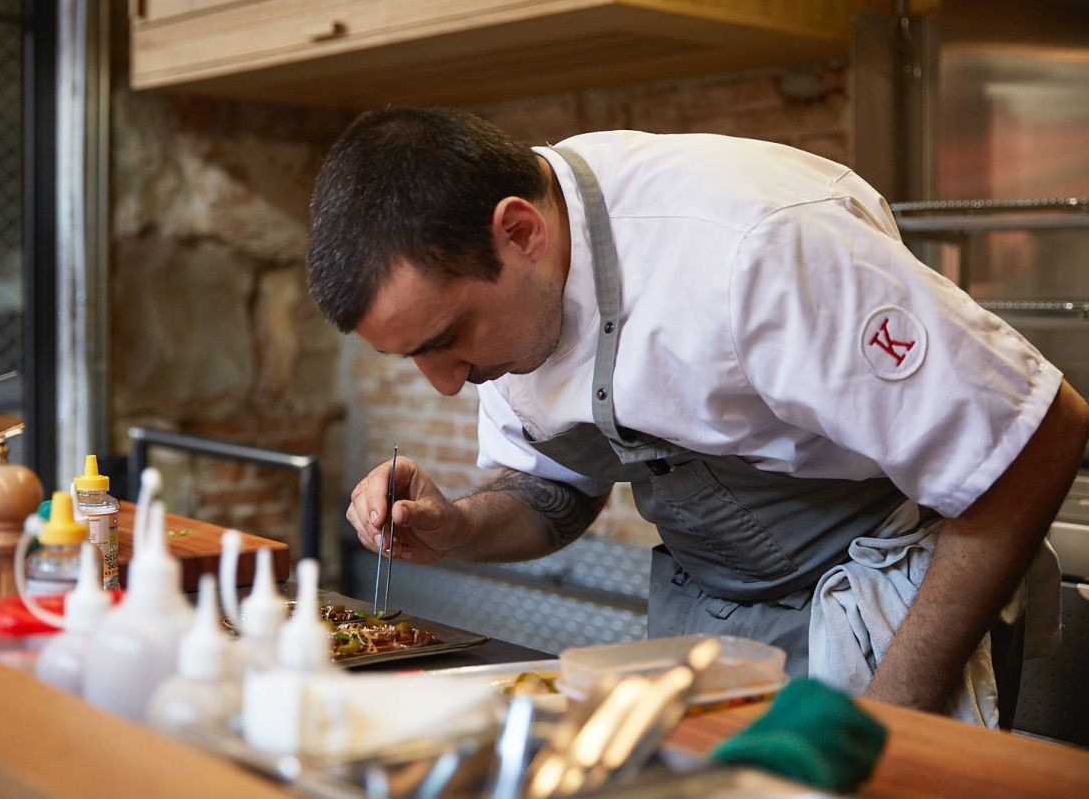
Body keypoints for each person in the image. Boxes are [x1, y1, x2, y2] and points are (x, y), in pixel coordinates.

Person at [305, 106, 1089, 721]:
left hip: (890, 613)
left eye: (446, 340)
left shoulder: (754, 243)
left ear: (520, 233)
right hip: (709, 617)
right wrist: (459, 526)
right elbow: (556, 493)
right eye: (412, 357)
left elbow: (1037, 433)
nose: (445, 383)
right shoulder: (513, 299)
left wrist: (889, 717)